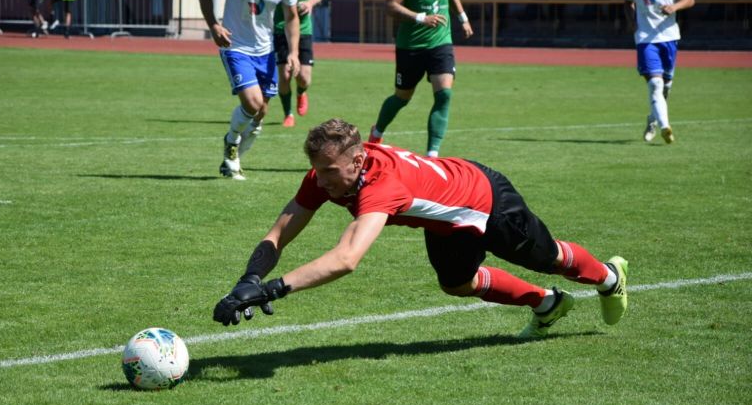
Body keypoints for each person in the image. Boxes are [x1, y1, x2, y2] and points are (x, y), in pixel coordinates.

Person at [213, 119, 629, 339]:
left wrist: (272, 289)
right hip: (446, 220)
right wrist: (248, 278)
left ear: (357, 163)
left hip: (485, 199)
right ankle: (547, 305)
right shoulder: (327, 176)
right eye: (317, 171)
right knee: (458, 284)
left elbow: (347, 259)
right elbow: (277, 235)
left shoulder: (381, 186)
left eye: (329, 172)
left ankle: (609, 278)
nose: (320, 181)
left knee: (551, 258)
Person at [199, 0, 301, 180]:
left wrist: (294, 52)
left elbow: (291, 16)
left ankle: (233, 162)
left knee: (261, 111)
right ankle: (232, 141)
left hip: (266, 51)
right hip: (235, 47)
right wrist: (214, 26)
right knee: (253, 103)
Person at [368, 0, 473, 158]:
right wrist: (421, 18)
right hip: (410, 45)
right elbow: (390, 6)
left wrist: (462, 18)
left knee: (444, 95)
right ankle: (377, 132)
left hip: (441, 42)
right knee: (402, 98)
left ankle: (432, 155)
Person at [624, 0, 695, 144]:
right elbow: (628, 1)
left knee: (665, 88)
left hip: (669, 37)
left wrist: (674, 7)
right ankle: (665, 127)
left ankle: (652, 120)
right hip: (645, 39)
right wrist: (631, 21)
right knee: (655, 83)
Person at [273, 0, 323, 128]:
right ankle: (288, 114)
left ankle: (301, 92)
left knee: (304, 78)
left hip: (304, 30)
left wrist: (309, 3)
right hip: (281, 28)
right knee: (285, 74)